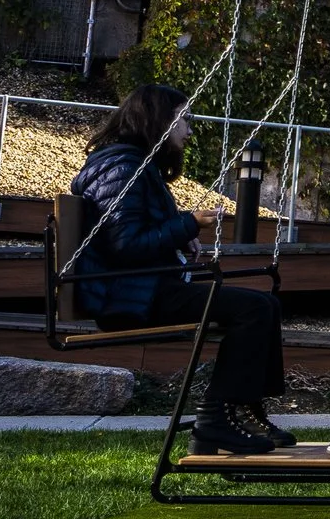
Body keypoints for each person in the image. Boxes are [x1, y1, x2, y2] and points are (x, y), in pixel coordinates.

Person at [70, 84, 288, 456]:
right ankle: (216, 419)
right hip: (132, 297)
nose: (188, 129)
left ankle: (240, 411)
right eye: (183, 118)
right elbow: (125, 245)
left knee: (265, 305)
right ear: (157, 120)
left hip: (142, 288)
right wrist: (187, 225)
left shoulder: (128, 165)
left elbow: (128, 235)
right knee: (253, 309)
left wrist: (177, 238)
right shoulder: (122, 168)